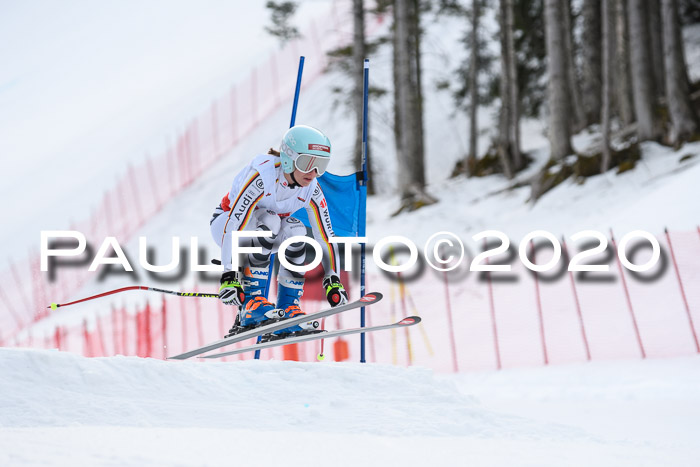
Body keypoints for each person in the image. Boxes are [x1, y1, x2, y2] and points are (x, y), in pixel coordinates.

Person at [209, 125, 349, 337]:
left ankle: (287, 307)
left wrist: (332, 278)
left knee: (297, 231)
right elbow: (235, 225)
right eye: (307, 163)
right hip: (226, 225)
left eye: (321, 165)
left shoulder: (311, 188)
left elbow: (325, 236)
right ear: (288, 159)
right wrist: (229, 274)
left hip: (262, 236)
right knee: (271, 221)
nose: (314, 173)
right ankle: (251, 303)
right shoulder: (263, 177)